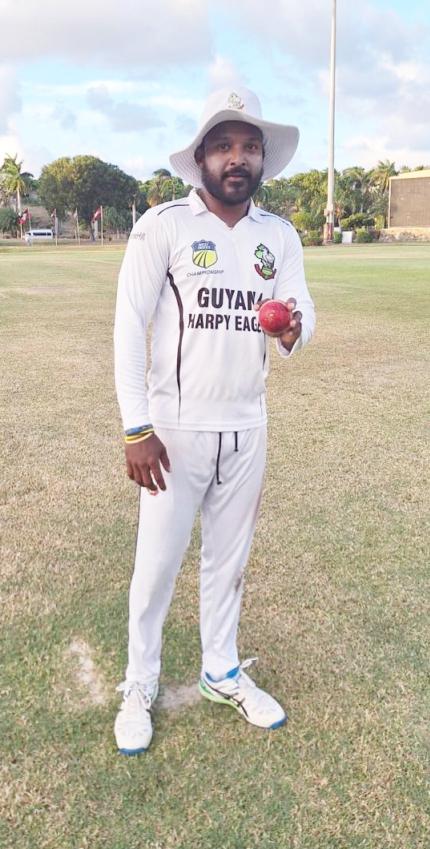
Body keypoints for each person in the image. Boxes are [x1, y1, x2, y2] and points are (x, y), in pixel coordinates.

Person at [113, 87, 316, 755]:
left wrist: (293, 327)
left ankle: (221, 670)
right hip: (175, 430)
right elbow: (129, 324)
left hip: (246, 425)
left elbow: (300, 310)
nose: (238, 158)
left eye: (249, 147)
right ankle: (139, 684)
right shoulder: (163, 225)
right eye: (224, 145)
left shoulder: (277, 236)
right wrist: (137, 426)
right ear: (200, 155)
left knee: (228, 562)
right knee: (157, 566)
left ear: (262, 159)